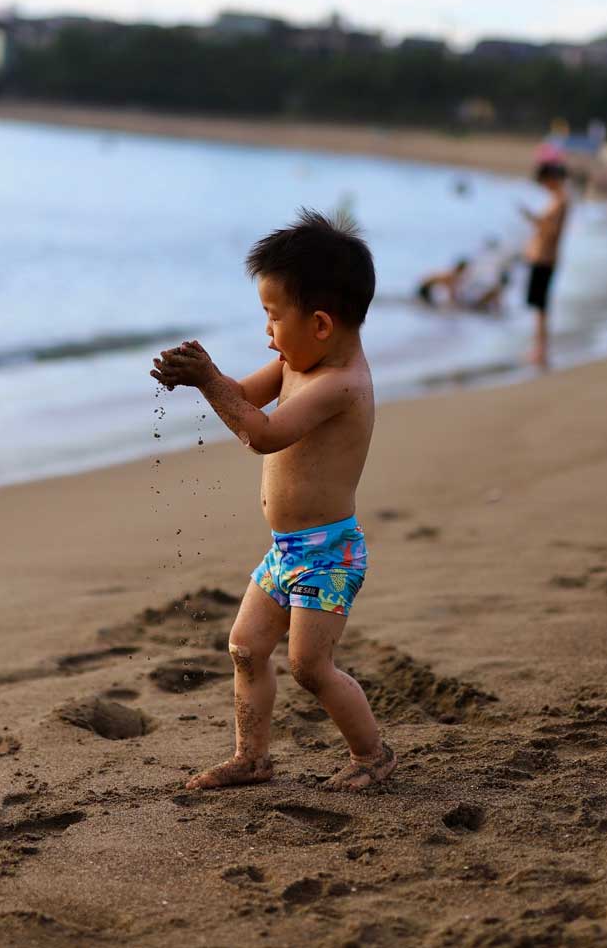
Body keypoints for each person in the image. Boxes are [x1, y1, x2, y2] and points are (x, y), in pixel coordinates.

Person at [151, 209, 394, 793]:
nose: (267, 332)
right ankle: (253, 758)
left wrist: (209, 380)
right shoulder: (295, 362)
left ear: (318, 324)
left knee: (310, 667)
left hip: (328, 554)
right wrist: (200, 377)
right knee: (245, 647)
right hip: (287, 550)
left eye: (272, 317)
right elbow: (241, 398)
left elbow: (261, 434)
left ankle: (373, 754)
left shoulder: (342, 385)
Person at [517, 160, 570, 366]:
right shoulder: (558, 200)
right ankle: (539, 349)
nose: (542, 185)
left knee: (540, 307)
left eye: (544, 181)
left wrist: (535, 220)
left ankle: (540, 351)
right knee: (539, 307)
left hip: (544, 258)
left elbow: (550, 231)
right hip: (543, 257)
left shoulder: (560, 201)